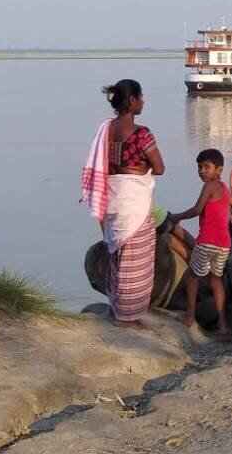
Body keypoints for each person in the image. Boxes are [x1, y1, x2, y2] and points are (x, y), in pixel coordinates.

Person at [81, 79, 165, 330]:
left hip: (113, 197)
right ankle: (127, 317)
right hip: (132, 201)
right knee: (135, 259)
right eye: (140, 97)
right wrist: (138, 168)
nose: (143, 102)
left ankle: (119, 307)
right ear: (131, 101)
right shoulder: (141, 133)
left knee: (118, 254)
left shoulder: (105, 131)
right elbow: (159, 168)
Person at [168, 149, 232, 334]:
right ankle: (223, 323)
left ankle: (190, 316)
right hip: (224, 243)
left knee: (193, 276)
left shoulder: (209, 186)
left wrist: (177, 217)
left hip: (207, 241)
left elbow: (197, 209)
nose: (202, 171)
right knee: (216, 279)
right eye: (199, 167)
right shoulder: (223, 188)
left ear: (219, 169)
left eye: (207, 167)